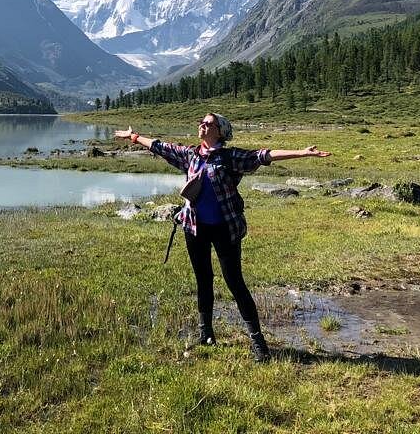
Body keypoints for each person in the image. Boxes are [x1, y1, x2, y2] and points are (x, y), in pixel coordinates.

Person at [114, 114, 330, 361]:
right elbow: (160, 146)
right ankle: (206, 333)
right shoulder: (190, 155)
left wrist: (302, 153)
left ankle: (258, 342)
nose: (202, 125)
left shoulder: (230, 157)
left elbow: (263, 155)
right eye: (201, 122)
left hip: (225, 229)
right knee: (203, 280)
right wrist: (133, 136)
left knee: (235, 282)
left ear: (220, 132)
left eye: (208, 123)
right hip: (195, 228)